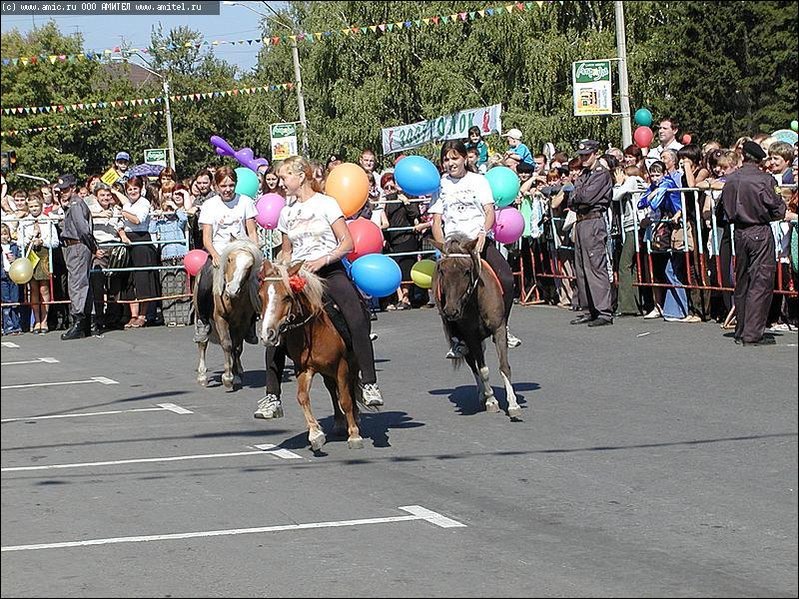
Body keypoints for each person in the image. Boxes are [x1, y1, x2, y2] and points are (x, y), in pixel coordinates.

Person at [255, 156, 384, 420]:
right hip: (299, 275)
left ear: (301, 176)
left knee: (355, 314)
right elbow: (287, 251)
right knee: (277, 323)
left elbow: (347, 243)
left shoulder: (326, 203)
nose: (281, 182)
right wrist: (279, 269)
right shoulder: (286, 212)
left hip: (328, 270)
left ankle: (369, 381)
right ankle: (272, 396)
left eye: (285, 177)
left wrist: (323, 260)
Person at [428, 140, 521, 358]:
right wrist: (443, 247)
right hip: (453, 247)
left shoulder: (479, 181)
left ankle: (503, 326)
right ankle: (456, 338)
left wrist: (482, 233)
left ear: (464, 158)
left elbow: (489, 212)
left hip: (476, 241)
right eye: (446, 159)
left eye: (454, 158)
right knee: (441, 288)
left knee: (506, 277)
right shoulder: (440, 185)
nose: (450, 163)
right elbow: (436, 221)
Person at [721, 140, 786, 345]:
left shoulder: (731, 179)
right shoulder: (765, 180)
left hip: (739, 232)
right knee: (761, 282)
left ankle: (741, 329)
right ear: (759, 160)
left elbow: (723, 208)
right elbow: (778, 209)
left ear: (743, 157)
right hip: (759, 229)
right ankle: (753, 333)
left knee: (743, 281)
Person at [194, 166, 259, 343]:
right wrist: (214, 255)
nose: (227, 189)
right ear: (216, 186)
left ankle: (252, 323)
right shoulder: (209, 205)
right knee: (204, 283)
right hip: (219, 252)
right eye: (223, 186)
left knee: (256, 284)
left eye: (231, 185)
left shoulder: (245, 202)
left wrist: (255, 251)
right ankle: (203, 320)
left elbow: (252, 232)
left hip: (242, 254)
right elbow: (207, 238)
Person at [568, 139, 614, 327]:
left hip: (593, 221)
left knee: (595, 266)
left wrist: (578, 196)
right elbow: (572, 199)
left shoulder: (601, 174)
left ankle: (604, 311)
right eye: (582, 156)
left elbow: (586, 197)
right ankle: (589, 309)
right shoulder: (585, 174)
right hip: (581, 221)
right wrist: (577, 196)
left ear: (596, 154)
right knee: (581, 268)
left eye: (587, 155)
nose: (584, 158)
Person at [57, 174, 101, 340]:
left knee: (76, 284)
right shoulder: (72, 204)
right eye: (61, 190)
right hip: (75, 245)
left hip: (77, 245)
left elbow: (83, 230)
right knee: (82, 282)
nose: (63, 192)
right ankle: (90, 322)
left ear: (73, 188)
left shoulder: (75, 204)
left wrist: (93, 246)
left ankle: (79, 321)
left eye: (66, 189)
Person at [1, 223, 22, 336]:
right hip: (3, 277)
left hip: (14, 276)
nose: (4, 237)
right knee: (6, 302)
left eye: (5, 234)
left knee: (15, 301)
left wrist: (14, 259)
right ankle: (8, 327)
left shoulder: (13, 246)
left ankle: (16, 326)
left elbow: (19, 259)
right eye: (1, 234)